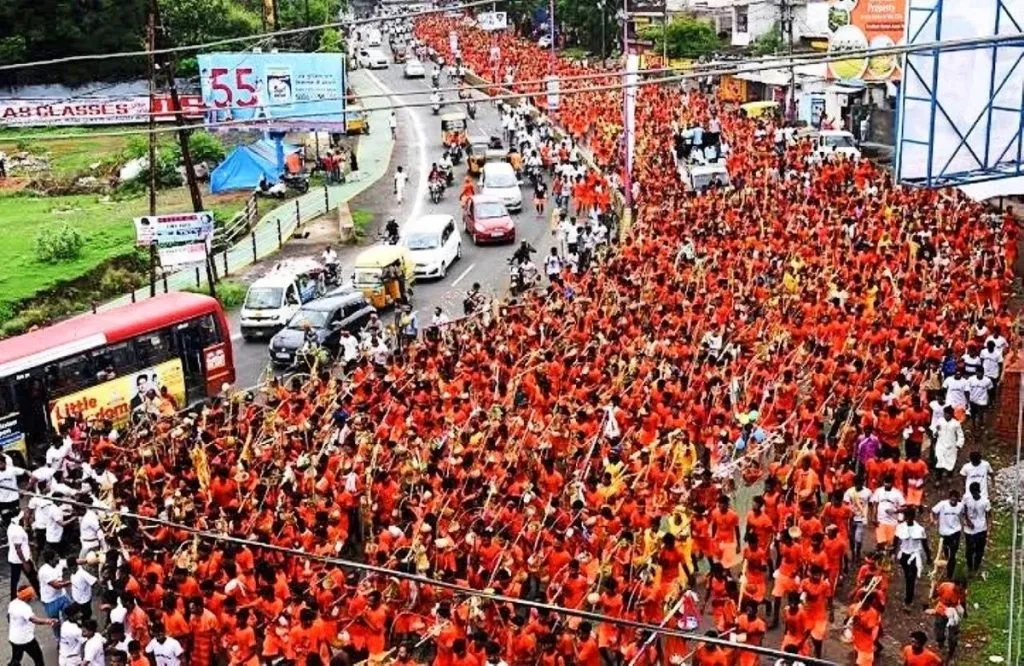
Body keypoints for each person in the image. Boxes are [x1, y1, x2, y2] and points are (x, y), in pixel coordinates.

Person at [894, 506, 932, 611]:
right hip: (904, 555)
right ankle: (909, 592)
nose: (909, 518)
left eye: (911, 516)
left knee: (911, 576)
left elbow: (925, 544)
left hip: (915, 555)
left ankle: (908, 601)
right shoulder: (900, 527)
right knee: (907, 576)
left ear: (913, 517)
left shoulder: (920, 529)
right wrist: (893, 553)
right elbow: (896, 541)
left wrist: (929, 557)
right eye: (907, 516)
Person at [8, 586, 56, 666]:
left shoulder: (12, 603)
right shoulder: (25, 608)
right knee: (38, 659)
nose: (33, 598)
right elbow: (34, 620)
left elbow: (9, 618)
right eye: (32, 596)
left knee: (15, 660)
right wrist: (48, 621)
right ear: (27, 598)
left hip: (14, 639)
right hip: (26, 639)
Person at [931, 488, 964, 578]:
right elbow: (933, 511)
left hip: (955, 532)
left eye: (955, 500)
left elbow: (965, 514)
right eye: (952, 499)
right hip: (944, 533)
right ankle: (947, 560)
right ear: (949, 498)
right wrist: (933, 520)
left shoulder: (961, 506)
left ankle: (950, 574)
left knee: (953, 553)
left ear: (958, 499)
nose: (953, 501)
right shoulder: (942, 504)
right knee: (946, 550)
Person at [963, 481, 991, 575]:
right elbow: (965, 511)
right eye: (972, 492)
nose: (974, 494)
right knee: (969, 550)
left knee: (979, 549)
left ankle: (976, 567)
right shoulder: (967, 499)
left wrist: (989, 528)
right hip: (969, 529)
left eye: (975, 492)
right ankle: (970, 566)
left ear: (979, 491)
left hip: (981, 529)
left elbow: (989, 515)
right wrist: (968, 521)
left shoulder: (985, 501)